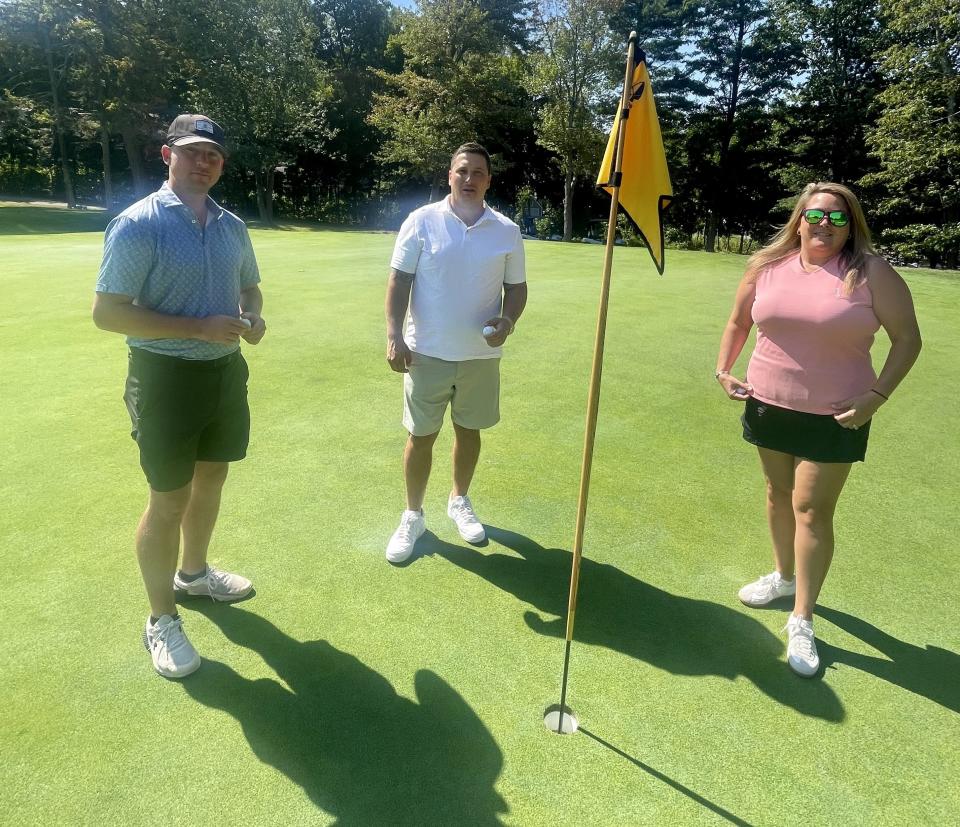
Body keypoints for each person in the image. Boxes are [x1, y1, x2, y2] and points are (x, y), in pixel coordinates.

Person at [715, 182, 921, 678]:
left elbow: (908, 339)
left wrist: (876, 397)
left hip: (838, 413)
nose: (824, 225)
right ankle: (784, 576)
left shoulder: (871, 272)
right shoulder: (766, 265)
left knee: (810, 508)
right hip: (767, 403)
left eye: (837, 218)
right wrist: (724, 368)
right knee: (776, 492)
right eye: (815, 216)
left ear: (853, 225)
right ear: (799, 219)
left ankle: (801, 617)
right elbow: (739, 321)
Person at [93, 114, 267, 679]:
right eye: (191, 151)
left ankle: (193, 574)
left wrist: (253, 315)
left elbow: (250, 285)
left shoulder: (230, 225)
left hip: (224, 373)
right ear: (167, 155)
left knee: (212, 477)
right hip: (164, 377)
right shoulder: (138, 224)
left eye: (212, 153)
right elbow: (108, 313)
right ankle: (160, 619)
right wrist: (198, 329)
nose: (203, 161)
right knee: (168, 499)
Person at [384, 142, 527, 564]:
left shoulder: (506, 230)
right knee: (421, 435)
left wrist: (508, 321)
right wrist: (394, 335)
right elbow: (399, 282)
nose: (469, 179)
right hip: (426, 351)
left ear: (488, 180)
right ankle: (413, 514)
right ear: (450, 175)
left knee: (469, 430)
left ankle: (459, 500)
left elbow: (516, 289)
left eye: (478, 173)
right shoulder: (421, 221)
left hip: (480, 355)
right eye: (462, 171)